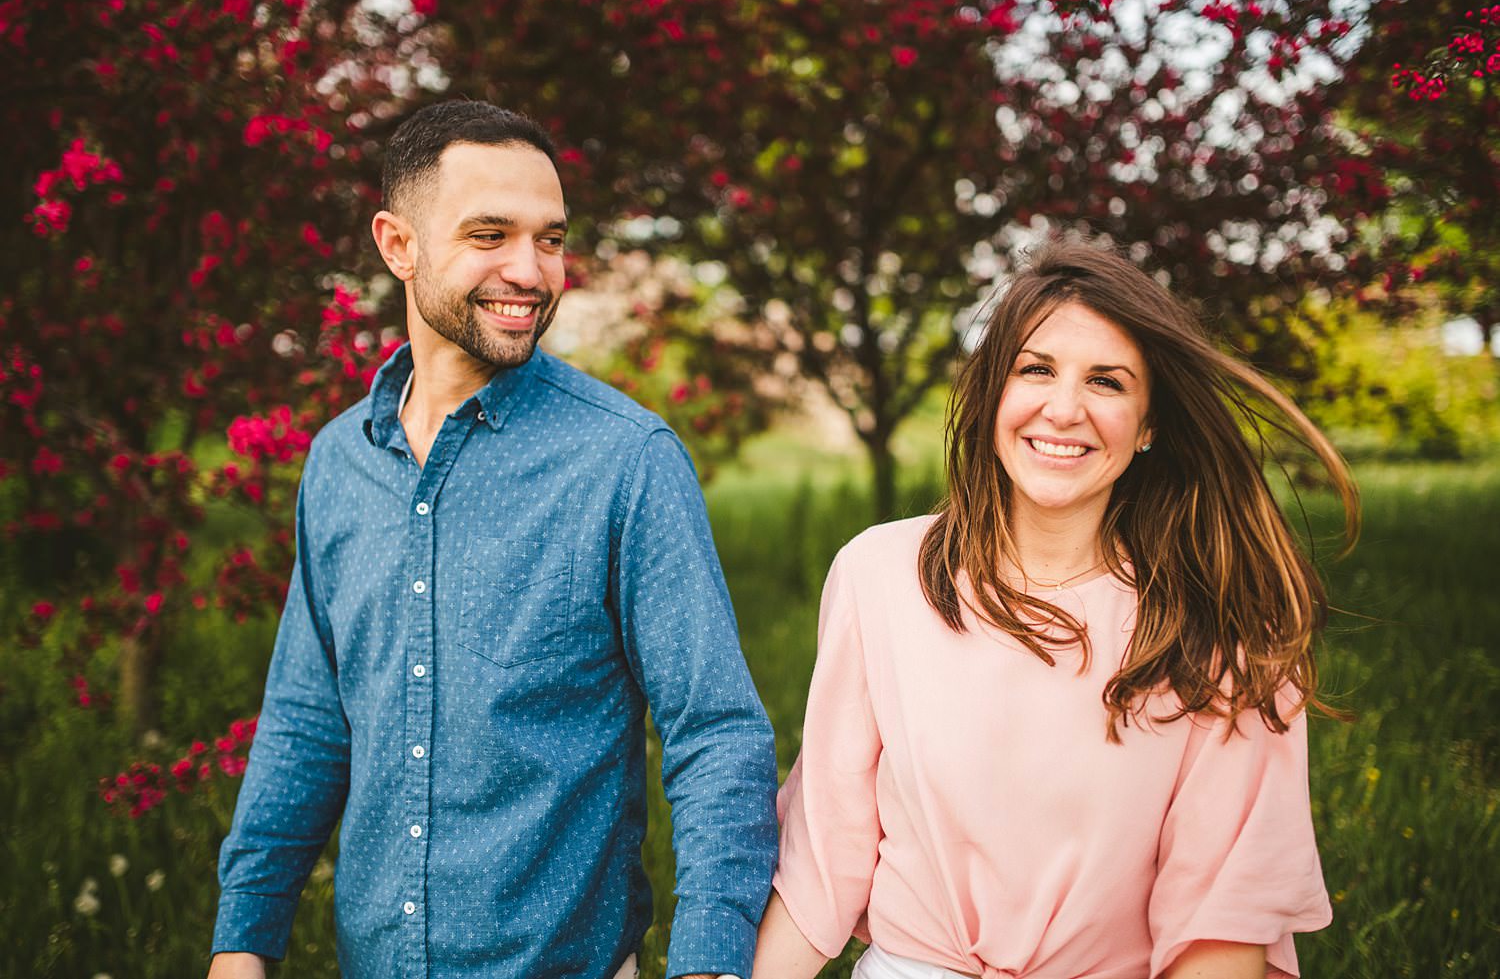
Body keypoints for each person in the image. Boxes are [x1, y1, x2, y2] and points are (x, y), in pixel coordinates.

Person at [207, 100, 778, 979]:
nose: (532, 270)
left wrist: (708, 962)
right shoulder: (337, 464)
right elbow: (308, 721)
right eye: (490, 234)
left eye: (550, 239)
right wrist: (242, 942)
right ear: (398, 245)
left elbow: (717, 734)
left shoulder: (626, 462)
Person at [751, 239, 1359, 979]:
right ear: (990, 396)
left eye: (1106, 382)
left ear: (1148, 426)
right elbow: (824, 855)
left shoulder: (1221, 626)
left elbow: (1221, 923)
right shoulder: (880, 575)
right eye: (1035, 369)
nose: (1063, 408)